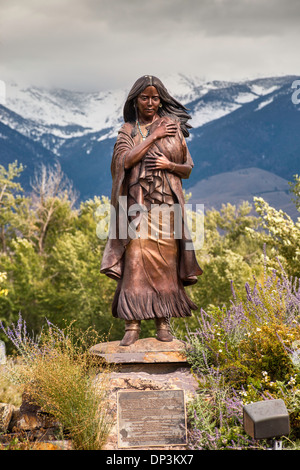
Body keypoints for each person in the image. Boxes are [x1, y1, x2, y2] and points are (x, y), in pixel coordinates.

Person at [100, 75, 202, 346]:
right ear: (135, 100)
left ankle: (163, 322)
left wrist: (169, 164)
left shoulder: (173, 129)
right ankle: (132, 325)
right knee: (134, 265)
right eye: (144, 97)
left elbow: (188, 169)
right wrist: (152, 136)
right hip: (136, 210)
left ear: (161, 100)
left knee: (166, 266)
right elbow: (124, 161)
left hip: (167, 208)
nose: (150, 102)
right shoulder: (128, 131)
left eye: (155, 98)